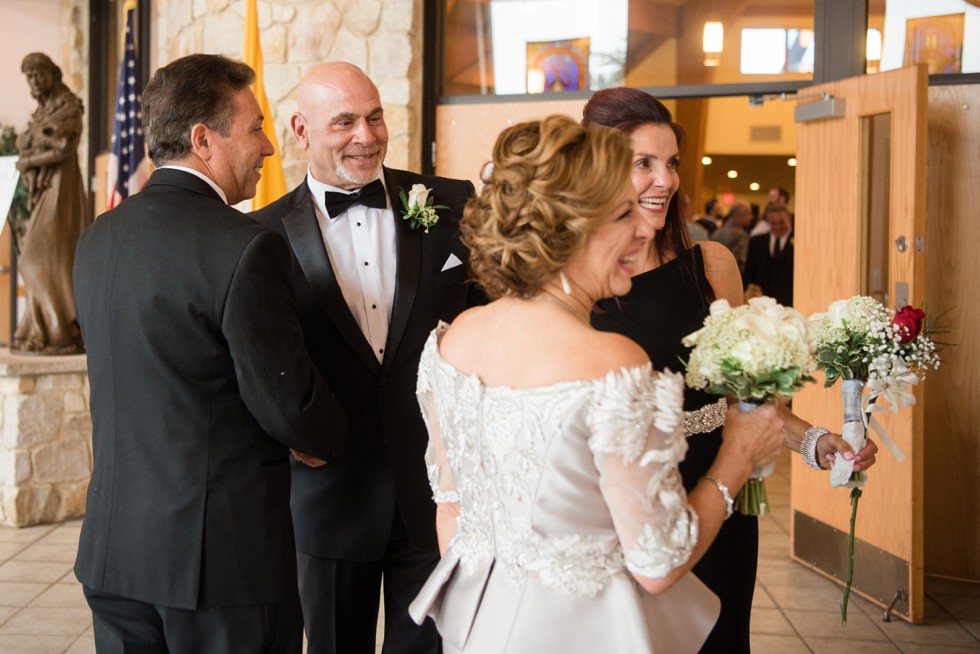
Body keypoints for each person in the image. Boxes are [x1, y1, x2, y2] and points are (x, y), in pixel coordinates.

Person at [408, 115, 786, 653]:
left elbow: (451, 509)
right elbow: (657, 563)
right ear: (573, 228)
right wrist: (739, 456)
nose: (647, 228)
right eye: (624, 214)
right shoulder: (613, 363)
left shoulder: (453, 342)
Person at [582, 86, 878, 653]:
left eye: (670, 164)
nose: (664, 180)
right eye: (643, 163)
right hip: (625, 504)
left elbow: (751, 399)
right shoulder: (575, 280)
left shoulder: (711, 265)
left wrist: (820, 443)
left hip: (721, 491)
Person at [73, 53, 348, 654]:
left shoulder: (97, 238)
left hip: (113, 554)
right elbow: (291, 404)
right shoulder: (245, 246)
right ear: (204, 140)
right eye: (254, 128)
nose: (270, 147)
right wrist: (325, 436)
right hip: (220, 569)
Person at [252, 62, 477, 654]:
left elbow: (487, 318)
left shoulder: (451, 203)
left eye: (374, 116)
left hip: (436, 491)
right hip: (327, 498)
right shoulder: (260, 236)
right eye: (344, 121)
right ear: (301, 130)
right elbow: (257, 360)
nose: (367, 135)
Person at [13, 52, 90, 354]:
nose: (33, 81)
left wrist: (28, 158)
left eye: (37, 74)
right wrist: (24, 148)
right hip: (44, 190)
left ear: (52, 73)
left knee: (36, 259)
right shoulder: (43, 109)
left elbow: (62, 149)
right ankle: (38, 328)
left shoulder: (68, 107)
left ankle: (58, 331)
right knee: (48, 261)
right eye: (28, 76)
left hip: (61, 190)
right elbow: (28, 141)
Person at [744, 203, 794, 306]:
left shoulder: (799, 243)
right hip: (763, 301)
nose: (777, 227)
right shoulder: (756, 242)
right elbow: (749, 271)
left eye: (781, 223)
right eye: (773, 223)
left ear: (789, 221)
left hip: (790, 300)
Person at [709, 201, 752, 275]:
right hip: (731, 277)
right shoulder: (741, 235)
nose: (751, 217)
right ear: (738, 215)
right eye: (748, 214)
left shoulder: (717, 232)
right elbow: (738, 261)